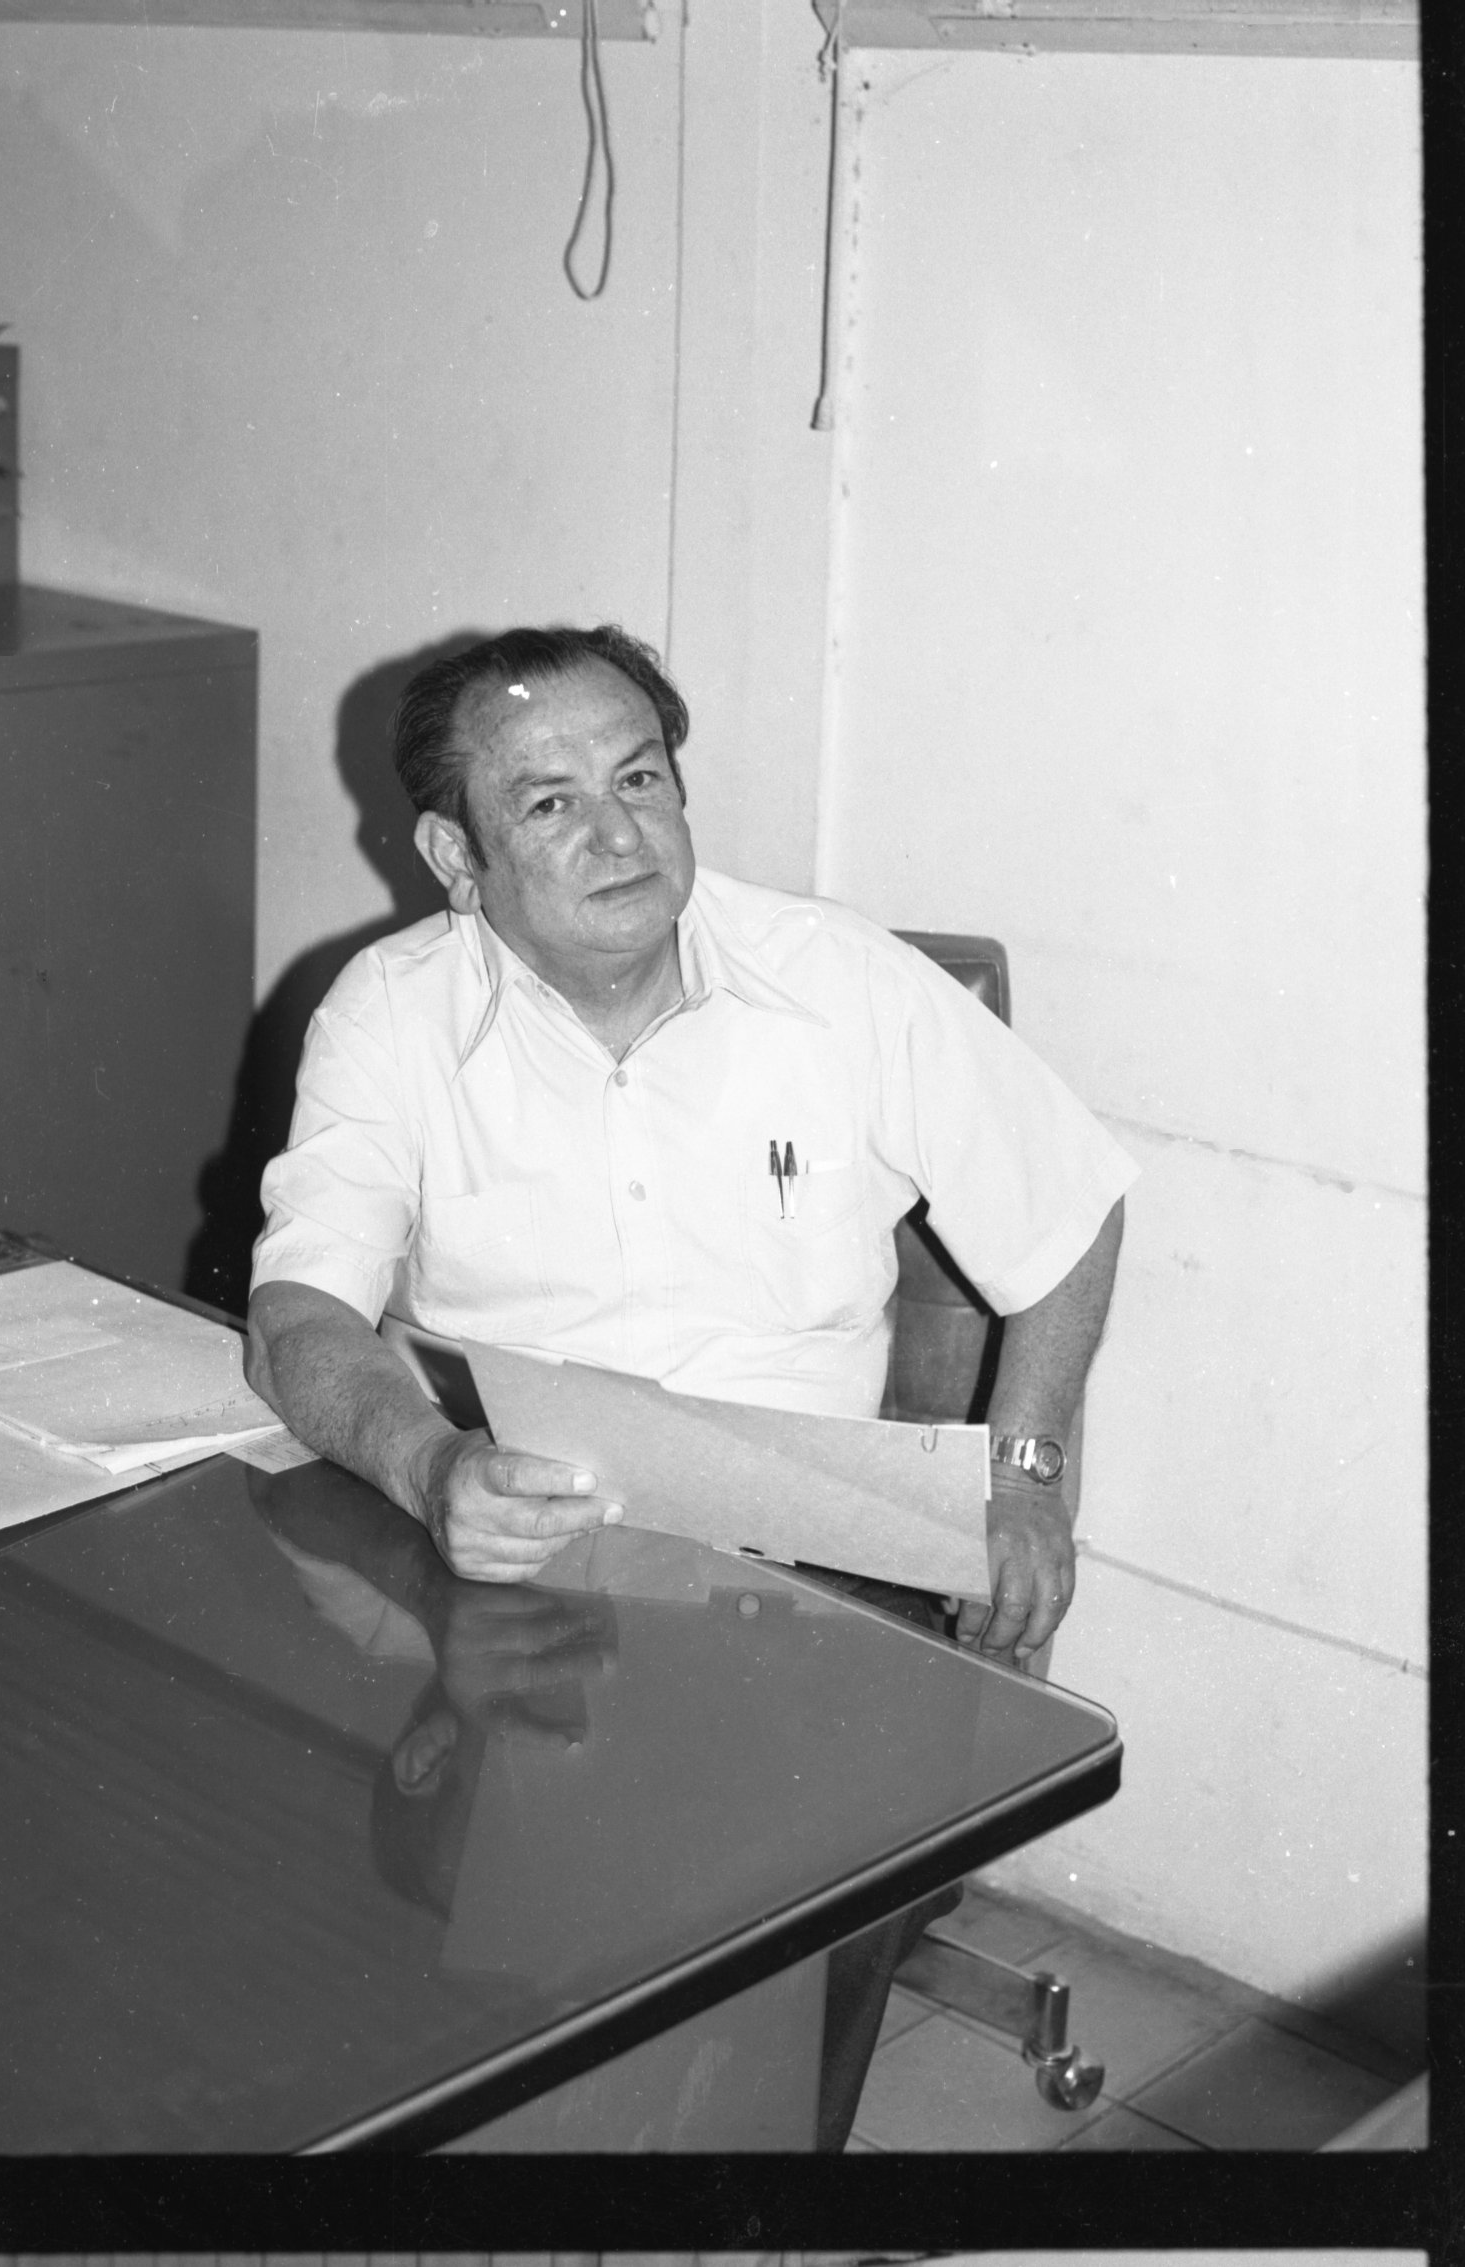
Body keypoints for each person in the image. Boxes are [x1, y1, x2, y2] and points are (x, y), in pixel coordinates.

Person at [245, 621, 1136, 2148]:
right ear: (455, 855)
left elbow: (1069, 1213)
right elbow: (298, 1315)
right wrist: (429, 1467)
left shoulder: (835, 980)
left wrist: (1026, 1474)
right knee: (427, 1932)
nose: (619, 833)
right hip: (515, 1548)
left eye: (640, 776)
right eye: (549, 801)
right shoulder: (387, 1012)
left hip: (811, 1577)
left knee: (759, 1983)